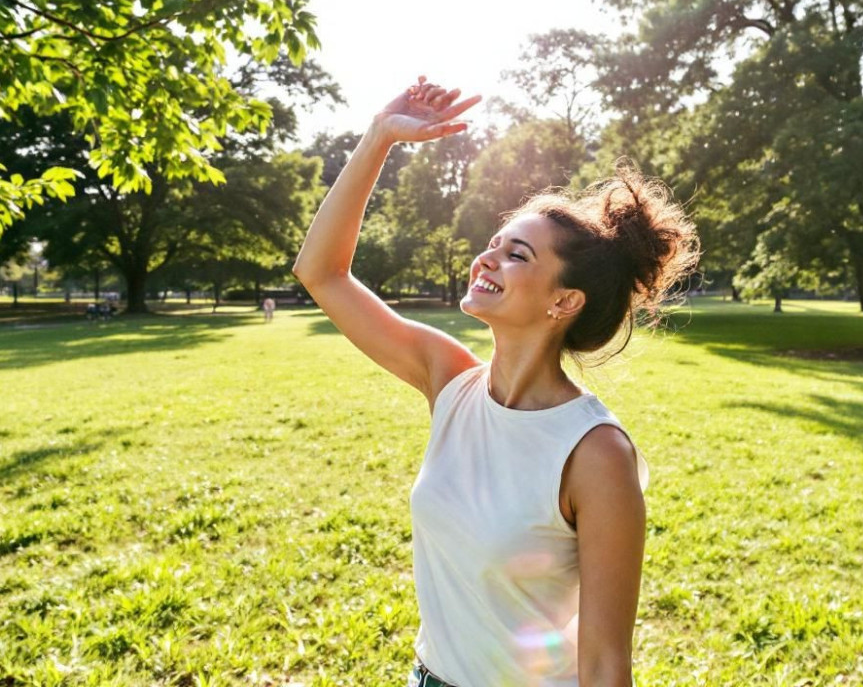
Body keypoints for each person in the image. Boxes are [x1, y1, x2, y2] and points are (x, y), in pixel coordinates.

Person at [292, 77, 699, 687]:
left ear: (564, 301)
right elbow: (321, 272)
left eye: (518, 256)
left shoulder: (596, 454)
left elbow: (607, 663)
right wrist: (378, 136)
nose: (487, 259)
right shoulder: (449, 381)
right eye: (494, 244)